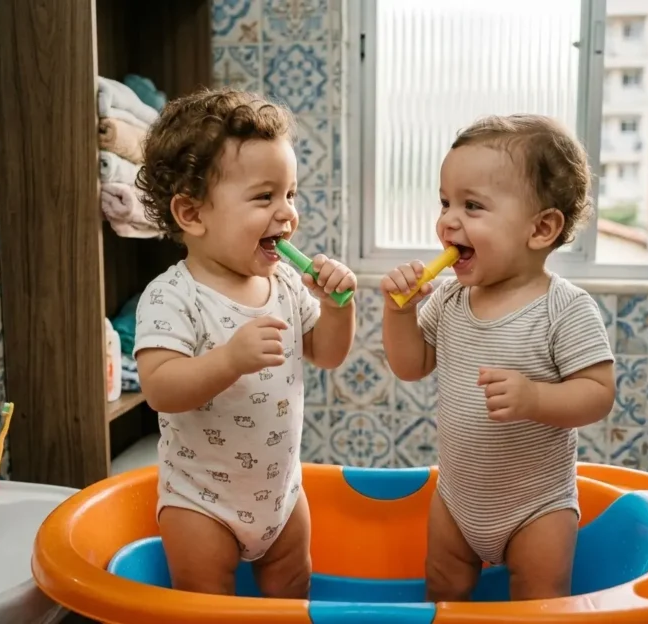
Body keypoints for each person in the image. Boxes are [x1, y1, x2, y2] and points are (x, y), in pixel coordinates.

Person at [381, 114, 615, 602]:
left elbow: (598, 395)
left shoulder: (563, 307)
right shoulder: (448, 299)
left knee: (540, 598)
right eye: (445, 202)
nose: (448, 220)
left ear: (541, 228)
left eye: (472, 205)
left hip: (538, 507)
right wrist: (399, 313)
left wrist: (535, 398)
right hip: (457, 499)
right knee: (442, 589)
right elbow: (411, 365)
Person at [133, 88, 357, 597]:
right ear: (191, 214)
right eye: (264, 197)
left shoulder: (283, 284)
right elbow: (161, 389)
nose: (287, 214)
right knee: (205, 602)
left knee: (294, 586)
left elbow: (327, 352)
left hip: (282, 495)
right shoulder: (173, 295)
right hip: (200, 502)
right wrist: (230, 358)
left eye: (290, 194)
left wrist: (339, 307)